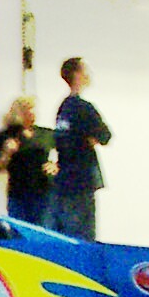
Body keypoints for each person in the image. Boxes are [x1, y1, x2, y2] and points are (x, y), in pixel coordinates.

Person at [51, 57, 111, 239]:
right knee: (82, 236)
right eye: (86, 70)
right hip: (82, 180)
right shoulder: (84, 108)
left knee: (65, 234)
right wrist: (91, 138)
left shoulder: (63, 108)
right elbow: (105, 136)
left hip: (64, 179)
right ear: (77, 74)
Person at [0, 97, 53, 227]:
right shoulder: (7, 135)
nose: (32, 113)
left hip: (43, 193)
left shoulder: (46, 134)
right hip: (18, 194)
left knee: (43, 231)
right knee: (19, 230)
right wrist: (7, 153)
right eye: (27, 109)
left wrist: (55, 164)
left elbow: (63, 154)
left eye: (33, 109)